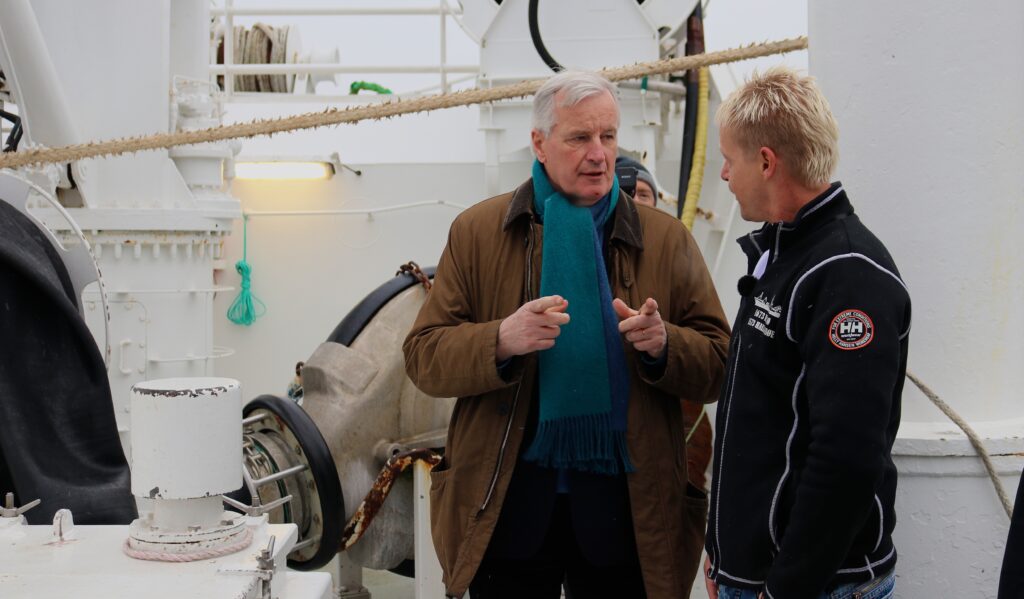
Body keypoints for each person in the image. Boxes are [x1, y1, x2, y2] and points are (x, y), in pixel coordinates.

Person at [404, 70, 731, 599]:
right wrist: (501, 340)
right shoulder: (479, 232)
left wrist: (665, 345)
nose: (599, 154)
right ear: (539, 143)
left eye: (608, 136)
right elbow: (423, 357)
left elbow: (720, 362)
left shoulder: (667, 240)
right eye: (580, 138)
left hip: (628, 511)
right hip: (507, 507)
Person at [703, 67, 911, 599]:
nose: (723, 174)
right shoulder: (784, 252)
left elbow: (846, 459)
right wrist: (721, 554)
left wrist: (783, 590)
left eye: (730, 159)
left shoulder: (848, 275)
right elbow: (753, 420)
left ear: (767, 162)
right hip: (752, 575)